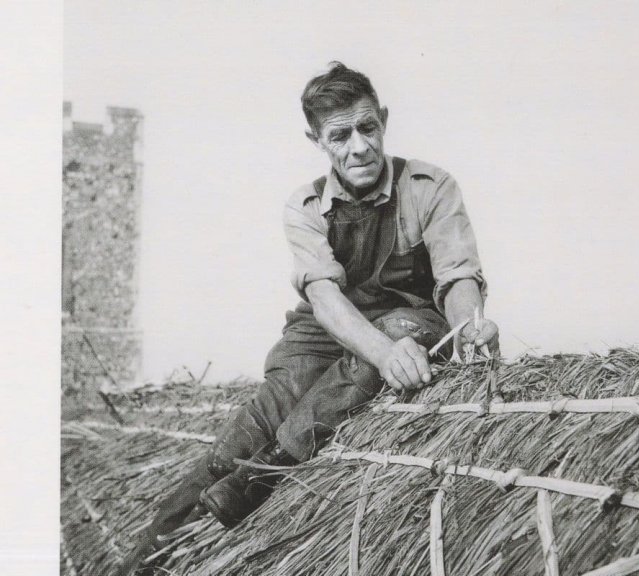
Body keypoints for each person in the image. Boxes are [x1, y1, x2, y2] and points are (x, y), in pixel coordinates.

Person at [118, 61, 498, 573]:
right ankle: (142, 559)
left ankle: (271, 472)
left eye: (368, 127)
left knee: (400, 329)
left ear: (383, 119)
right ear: (316, 139)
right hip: (325, 329)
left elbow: (457, 275)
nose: (360, 147)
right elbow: (324, 298)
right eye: (340, 135)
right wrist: (383, 356)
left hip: (410, 320)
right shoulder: (304, 206)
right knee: (242, 433)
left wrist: (470, 325)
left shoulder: (431, 186)